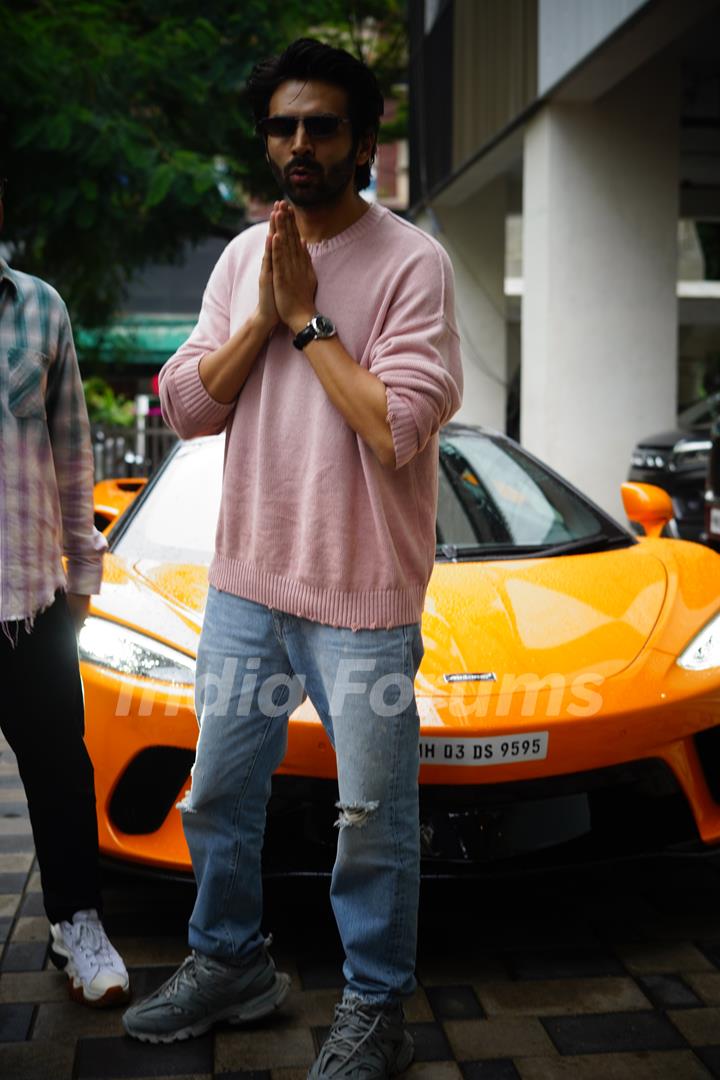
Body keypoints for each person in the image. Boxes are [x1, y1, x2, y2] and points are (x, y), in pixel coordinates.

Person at [122, 37, 462, 1078]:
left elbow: (397, 427)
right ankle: (231, 963)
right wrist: (263, 312)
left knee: (371, 820)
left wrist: (308, 319)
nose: (300, 143)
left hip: (362, 599)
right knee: (219, 794)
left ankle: (376, 1008)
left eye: (321, 125)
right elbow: (186, 408)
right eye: (283, 126)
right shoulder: (240, 260)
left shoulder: (414, 263)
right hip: (247, 586)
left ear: (363, 142)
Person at [0, 180, 129, 1006]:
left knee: (59, 770)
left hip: (30, 600)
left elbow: (76, 453)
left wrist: (83, 573)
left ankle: (77, 926)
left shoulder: (39, 309)